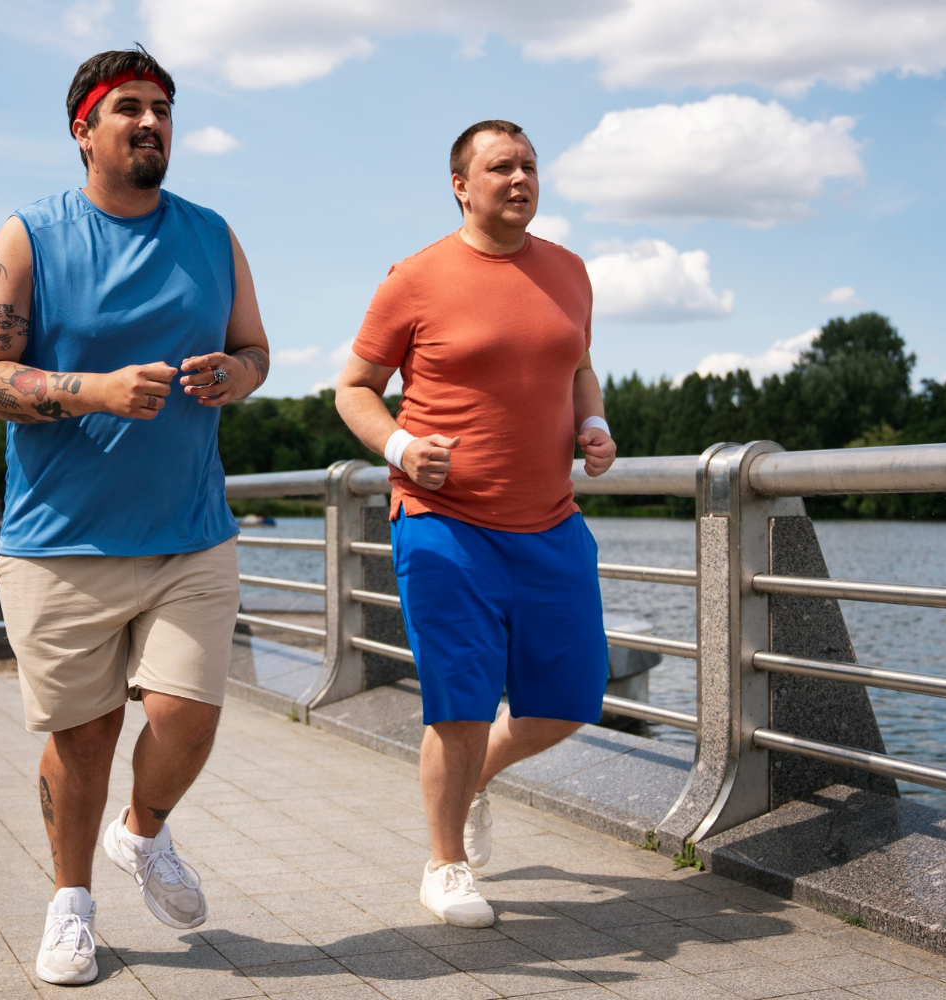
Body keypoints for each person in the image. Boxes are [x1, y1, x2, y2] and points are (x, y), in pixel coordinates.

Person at [0, 46, 270, 985]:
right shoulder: (30, 236)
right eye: (128, 106)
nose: (150, 121)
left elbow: (255, 350)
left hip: (191, 533)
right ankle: (71, 905)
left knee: (187, 716)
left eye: (162, 107)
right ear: (83, 130)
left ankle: (144, 832)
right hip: (61, 540)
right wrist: (92, 389)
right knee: (85, 737)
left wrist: (235, 375)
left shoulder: (213, 234)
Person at [336, 120, 617, 928]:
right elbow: (354, 386)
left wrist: (592, 424)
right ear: (461, 185)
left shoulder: (569, 270)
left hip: (550, 522)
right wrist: (399, 445)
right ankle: (446, 864)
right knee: (458, 703)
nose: (520, 178)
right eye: (501, 167)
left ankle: (477, 777)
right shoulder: (416, 277)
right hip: (444, 521)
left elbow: (579, 366)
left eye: (529, 165)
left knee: (570, 698)